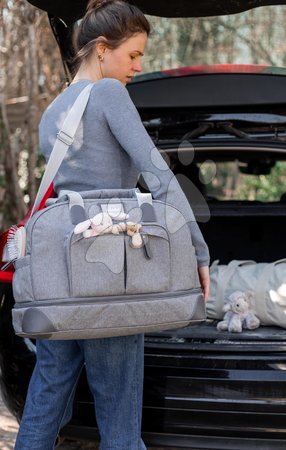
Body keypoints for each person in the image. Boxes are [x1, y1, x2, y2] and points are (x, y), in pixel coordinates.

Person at [14, 1, 210, 449]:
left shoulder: (52, 113)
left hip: (59, 277)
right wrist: (197, 252)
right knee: (120, 427)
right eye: (133, 55)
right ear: (102, 49)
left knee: (44, 404)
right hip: (108, 270)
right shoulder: (109, 95)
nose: (138, 66)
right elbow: (159, 177)